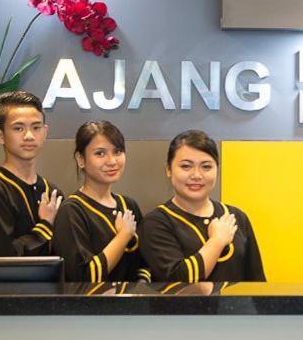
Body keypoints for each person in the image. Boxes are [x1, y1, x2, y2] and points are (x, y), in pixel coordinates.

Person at [140, 130, 265, 283]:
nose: (197, 175)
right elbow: (179, 280)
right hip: (179, 308)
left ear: (217, 169)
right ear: (168, 170)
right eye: (186, 166)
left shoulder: (236, 217)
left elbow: (256, 282)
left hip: (236, 307)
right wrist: (217, 240)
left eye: (206, 167)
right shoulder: (156, 222)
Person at [53, 121, 149, 282]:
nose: (112, 161)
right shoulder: (72, 211)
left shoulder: (129, 206)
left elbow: (145, 264)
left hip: (132, 305)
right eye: (100, 153)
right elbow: (83, 277)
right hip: (92, 306)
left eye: (117, 152)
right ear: (81, 159)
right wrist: (123, 236)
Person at [0, 91, 63, 256]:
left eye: (36, 128)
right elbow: (4, 258)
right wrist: (45, 225)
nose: (29, 136)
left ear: (45, 132)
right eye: (18, 128)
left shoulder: (52, 193)